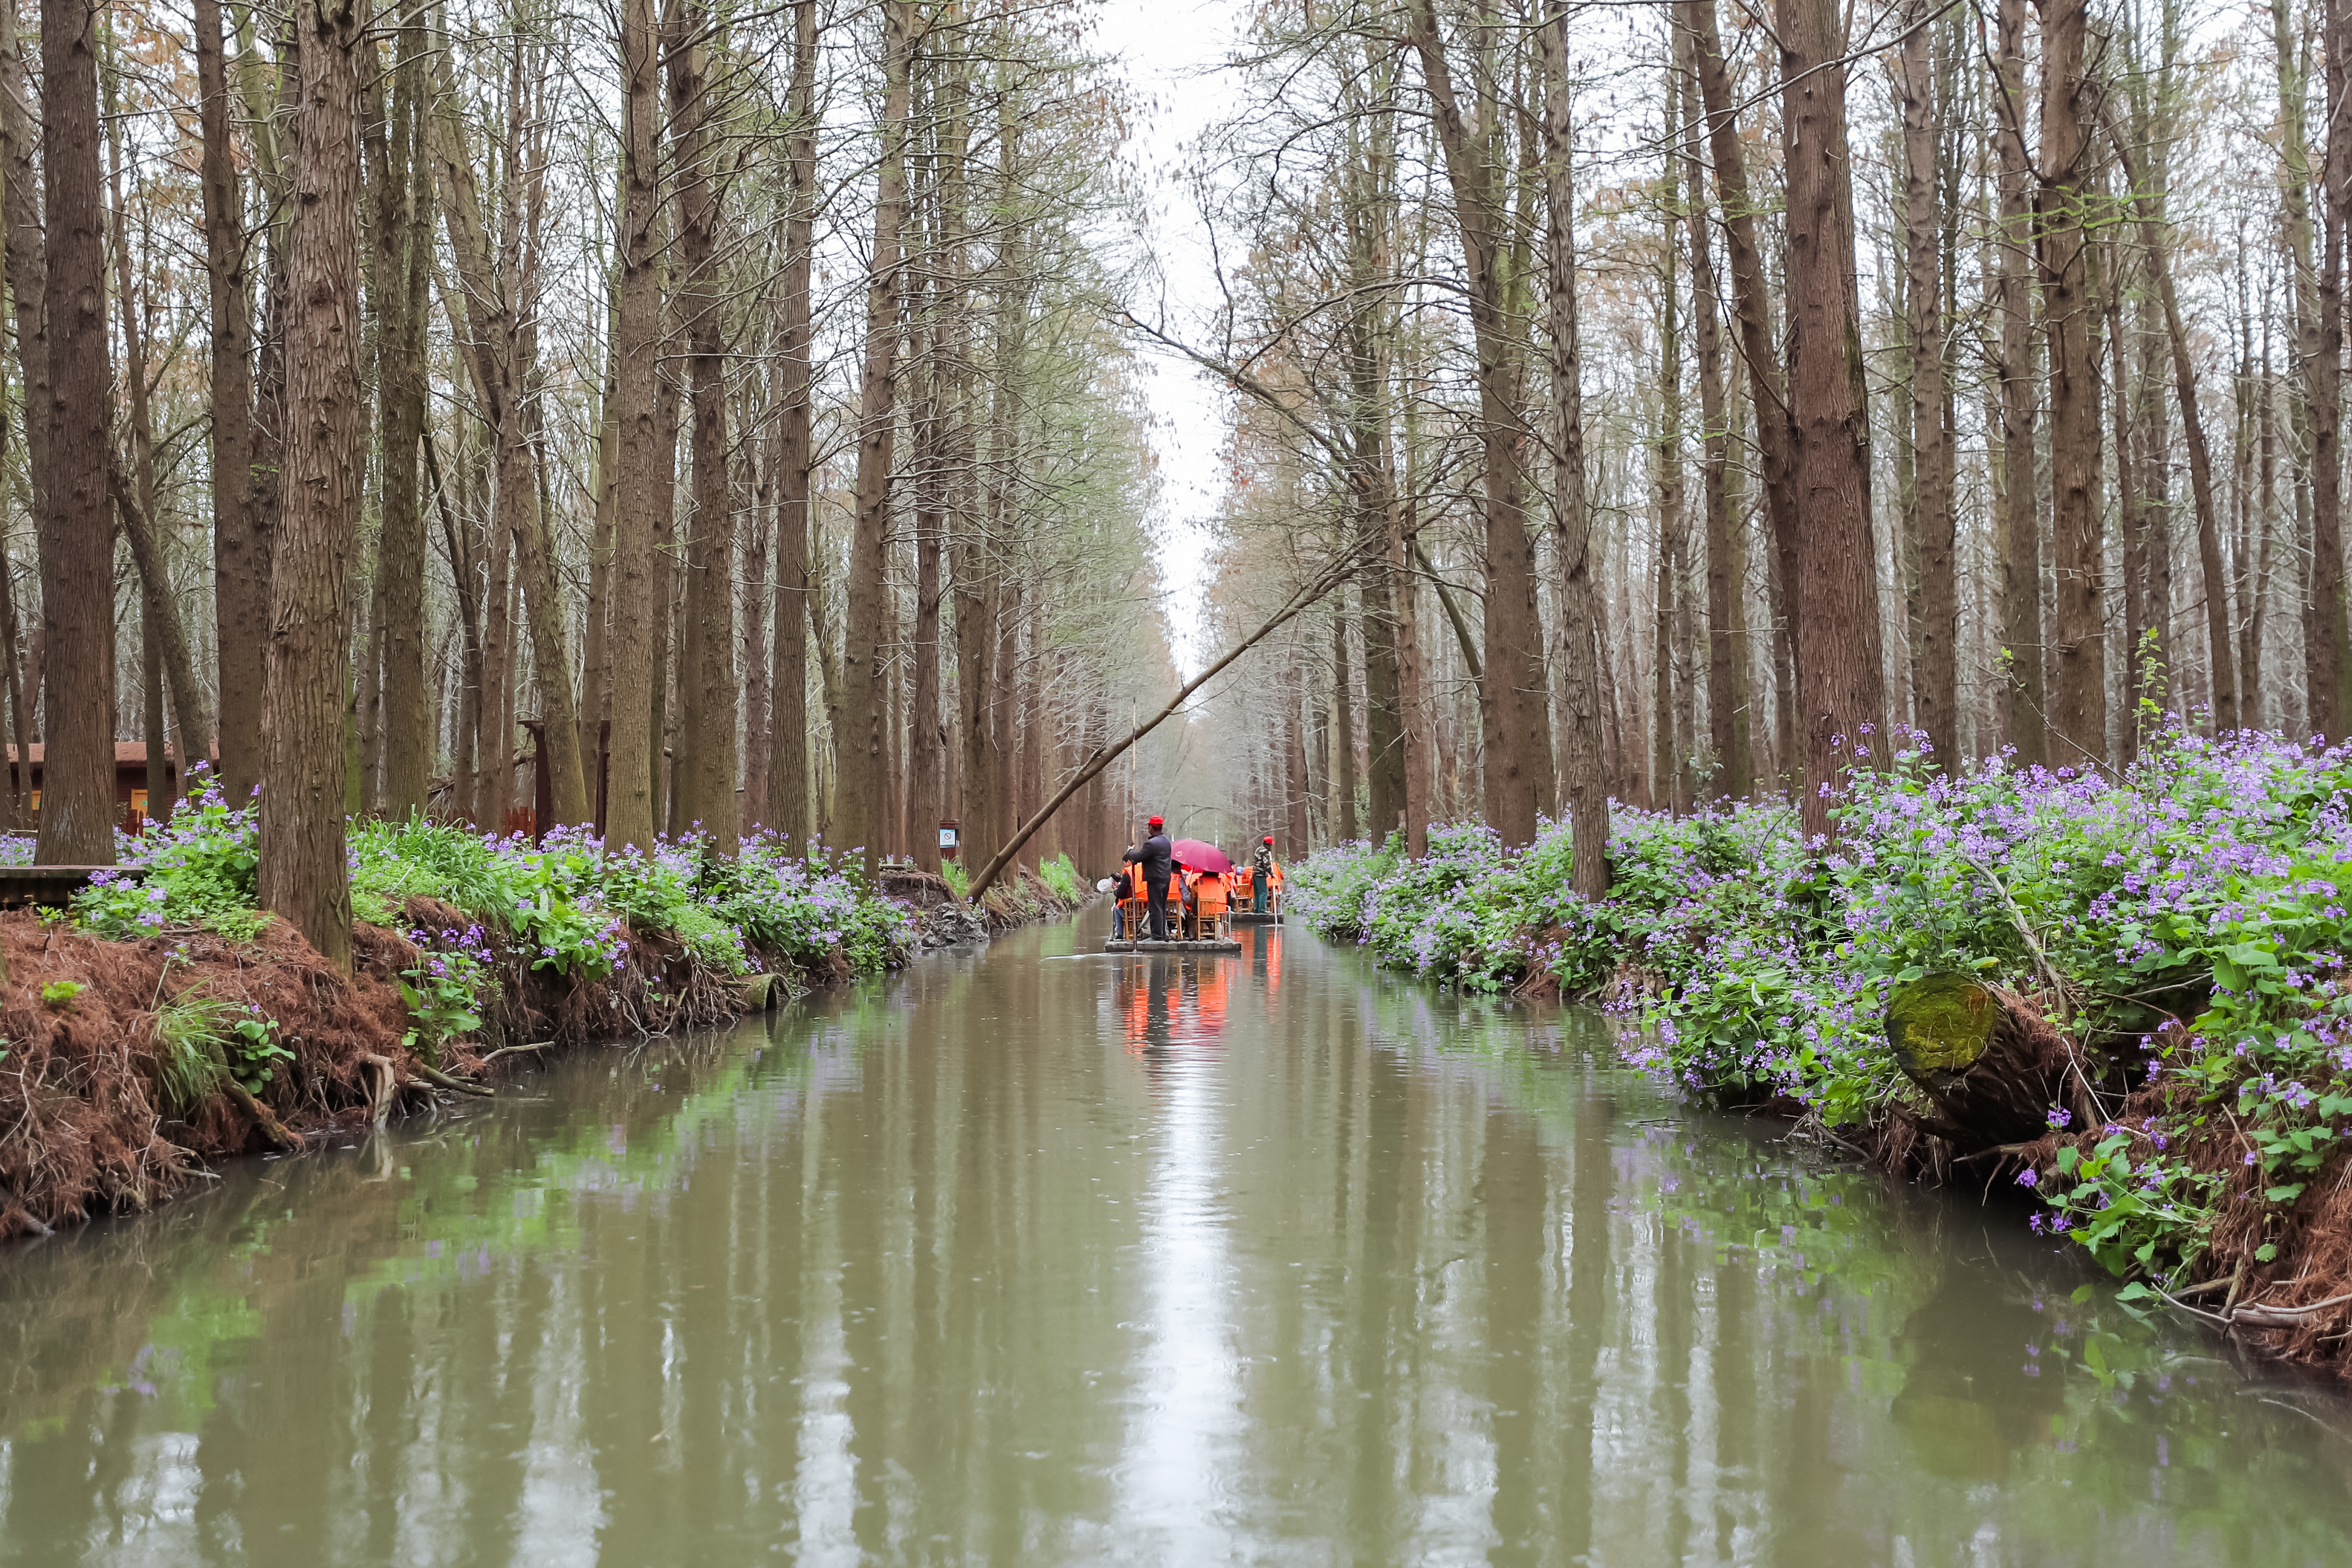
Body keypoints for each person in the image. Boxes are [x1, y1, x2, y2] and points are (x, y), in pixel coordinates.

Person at [1123, 815, 1173, 940]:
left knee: (1155, 908)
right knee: (1161, 907)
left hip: (1155, 879)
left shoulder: (1151, 844)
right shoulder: (1166, 841)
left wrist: (1130, 852)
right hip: (1165, 878)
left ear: (1151, 827)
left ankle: (1156, 936)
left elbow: (1139, 856)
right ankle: (1162, 934)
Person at [1193, 862, 1229, 939]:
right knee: (1214, 916)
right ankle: (1215, 933)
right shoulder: (1221, 883)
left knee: (1193, 914)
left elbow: (1193, 897)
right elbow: (1225, 895)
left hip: (1203, 911)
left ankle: (1195, 934)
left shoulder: (1198, 883)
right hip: (1218, 910)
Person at [1251, 835, 1276, 913]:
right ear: (1269, 844)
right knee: (1263, 893)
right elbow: (1266, 864)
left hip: (1255, 873)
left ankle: (1256, 909)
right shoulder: (1265, 851)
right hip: (1260, 874)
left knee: (1257, 893)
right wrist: (1272, 874)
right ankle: (1262, 910)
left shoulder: (1258, 849)